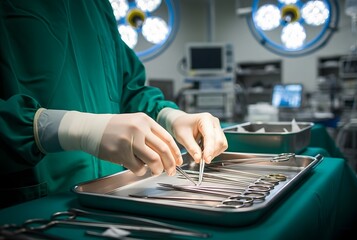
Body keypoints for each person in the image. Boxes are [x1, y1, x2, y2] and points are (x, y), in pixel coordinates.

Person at [0, 0, 228, 209]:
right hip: (32, 204)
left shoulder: (97, 6)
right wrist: (61, 128)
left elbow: (127, 87)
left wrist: (169, 116)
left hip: (111, 197)